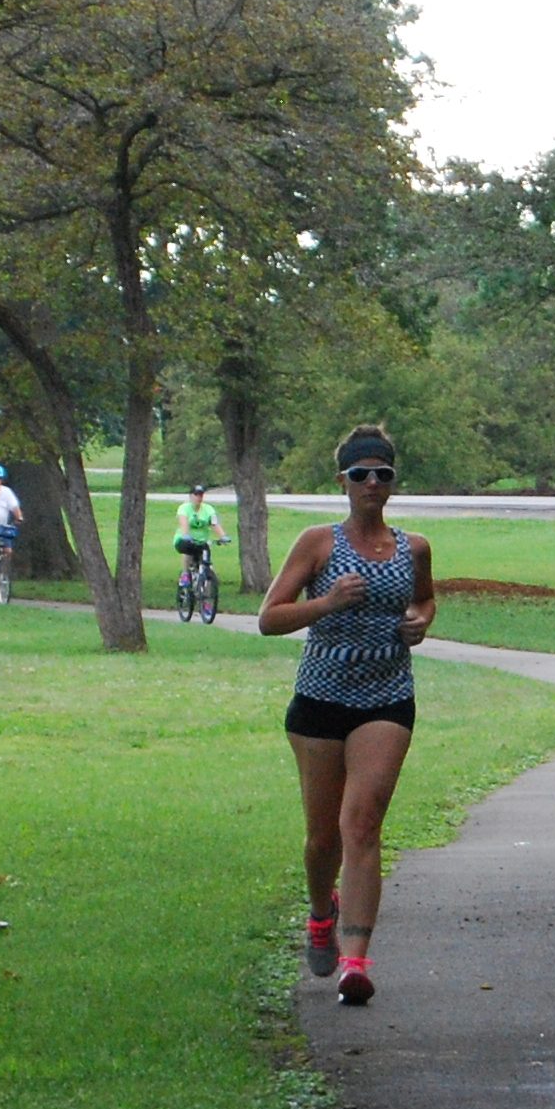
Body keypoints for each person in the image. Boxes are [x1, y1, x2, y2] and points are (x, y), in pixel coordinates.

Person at [260, 424, 435, 1008]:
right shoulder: (318, 543)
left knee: (361, 823)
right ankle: (320, 914)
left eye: (382, 474)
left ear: (392, 481)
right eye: (360, 474)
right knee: (321, 838)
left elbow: (425, 597)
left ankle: (355, 962)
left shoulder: (413, 548)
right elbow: (270, 617)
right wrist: (328, 602)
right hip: (320, 699)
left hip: (386, 697)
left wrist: (419, 621)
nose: (372, 483)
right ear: (342, 481)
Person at [174, 481, 227, 585]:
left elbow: (214, 523)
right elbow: (184, 522)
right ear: (190, 496)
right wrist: (186, 535)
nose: (199, 497)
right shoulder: (184, 508)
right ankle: (185, 574)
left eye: (201, 495)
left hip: (202, 541)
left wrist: (223, 536)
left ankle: (207, 593)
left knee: (207, 563)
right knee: (188, 550)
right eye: (196, 495)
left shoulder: (208, 509)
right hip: (185, 540)